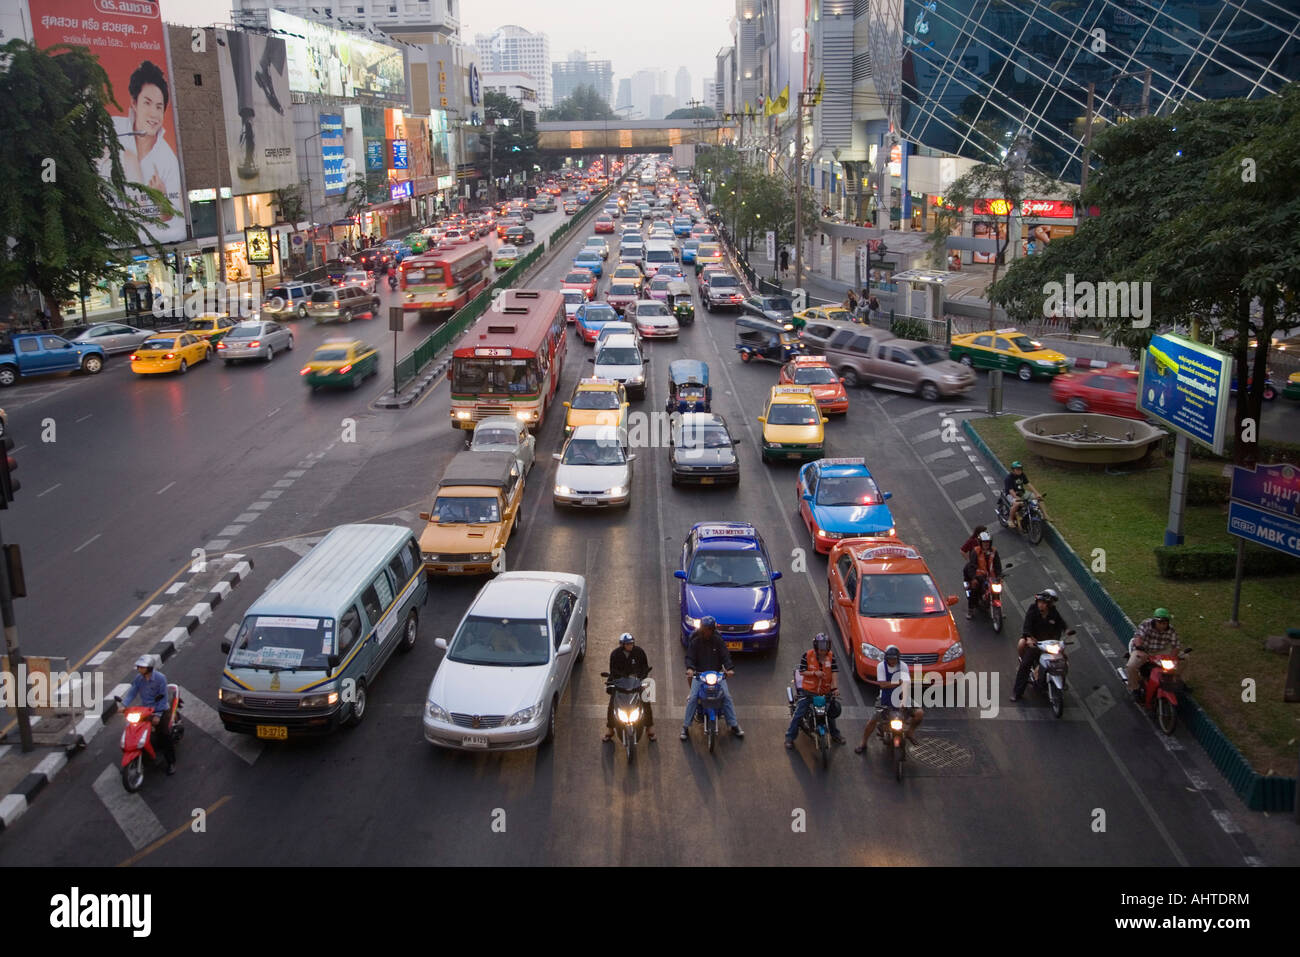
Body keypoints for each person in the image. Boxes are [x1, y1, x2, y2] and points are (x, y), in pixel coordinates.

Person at [101, 62, 182, 230]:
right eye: (147, 103)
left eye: (159, 107)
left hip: (147, 241)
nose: (153, 113)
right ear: (134, 103)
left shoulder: (168, 161)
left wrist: (161, 199)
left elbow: (171, 220)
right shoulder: (112, 128)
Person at [681, 616, 744, 740]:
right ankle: (685, 727)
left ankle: (734, 724)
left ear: (712, 629)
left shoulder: (718, 640)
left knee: (726, 697)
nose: (706, 631)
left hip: (717, 675)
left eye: (708, 629)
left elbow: (725, 656)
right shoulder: (695, 641)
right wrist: (690, 669)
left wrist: (729, 669)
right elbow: (690, 657)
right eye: (704, 628)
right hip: (699, 675)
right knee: (693, 698)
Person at [856, 644, 922, 751]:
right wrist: (898, 682)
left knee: (919, 713)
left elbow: (905, 685)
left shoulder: (903, 666)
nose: (892, 661)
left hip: (900, 696)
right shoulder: (881, 666)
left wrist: (904, 701)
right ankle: (863, 742)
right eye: (890, 659)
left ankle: (910, 732)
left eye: (894, 659)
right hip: (885, 697)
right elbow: (882, 685)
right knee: (873, 720)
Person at [785, 633, 845, 748]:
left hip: (825, 692)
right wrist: (814, 674)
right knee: (798, 715)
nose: (823, 651)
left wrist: (835, 688)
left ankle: (835, 734)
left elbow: (834, 672)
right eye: (821, 649)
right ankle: (789, 737)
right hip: (809, 693)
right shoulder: (807, 655)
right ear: (816, 647)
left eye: (825, 648)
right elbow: (802, 671)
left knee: (829, 714)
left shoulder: (831, 657)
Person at [121, 655, 175, 775]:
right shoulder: (138, 679)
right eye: (139, 667)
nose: (139, 669)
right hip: (145, 710)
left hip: (160, 710)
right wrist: (124, 705)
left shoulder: (160, 678)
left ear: (149, 668)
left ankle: (171, 762)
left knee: (165, 735)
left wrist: (158, 715)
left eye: (142, 667)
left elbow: (163, 697)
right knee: (134, 731)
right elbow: (132, 692)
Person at [1010, 590, 1069, 701]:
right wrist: (1029, 639)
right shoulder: (1033, 610)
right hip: (1036, 644)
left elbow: (1062, 625)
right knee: (1025, 664)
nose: (1041, 605)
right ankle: (1017, 692)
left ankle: (1062, 682)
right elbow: (1026, 627)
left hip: (1051, 644)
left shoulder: (1054, 613)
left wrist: (1067, 632)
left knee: (1064, 660)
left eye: (1044, 603)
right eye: (1039, 602)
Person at [604, 632, 655, 742]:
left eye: (631, 643)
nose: (630, 645)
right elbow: (613, 670)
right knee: (612, 704)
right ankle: (610, 728)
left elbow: (644, 667)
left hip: (636, 683)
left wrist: (642, 679)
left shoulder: (639, 652)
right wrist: (619, 678)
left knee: (646, 702)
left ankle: (649, 727)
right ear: (622, 645)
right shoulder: (615, 654)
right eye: (628, 644)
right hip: (620, 685)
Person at [1126, 608, 1181, 700]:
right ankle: (1134, 688)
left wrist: (1173, 657)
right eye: (1160, 622)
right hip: (1145, 650)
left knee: (1185, 658)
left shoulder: (1171, 630)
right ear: (1155, 621)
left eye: (1165, 623)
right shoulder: (1146, 624)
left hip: (1160, 652)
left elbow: (1176, 646)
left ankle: (1178, 682)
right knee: (1131, 666)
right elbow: (1138, 636)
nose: (1163, 625)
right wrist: (1139, 646)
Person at [962, 531, 1002, 620]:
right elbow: (972, 566)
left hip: (991, 577)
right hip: (979, 577)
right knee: (975, 588)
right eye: (984, 542)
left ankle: (999, 611)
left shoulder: (994, 551)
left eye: (988, 542)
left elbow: (997, 565)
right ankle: (970, 610)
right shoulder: (975, 552)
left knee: (998, 590)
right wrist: (974, 578)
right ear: (981, 543)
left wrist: (999, 575)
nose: (986, 544)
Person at [1003, 461, 1043, 530]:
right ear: (1013, 470)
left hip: (1021, 492)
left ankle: (1044, 515)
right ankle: (1010, 519)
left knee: (1038, 499)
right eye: (1017, 469)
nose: (1019, 470)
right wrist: (1017, 498)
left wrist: (1037, 493)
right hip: (1011, 494)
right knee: (1016, 504)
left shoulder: (1022, 475)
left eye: (1020, 469)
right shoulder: (1008, 478)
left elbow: (1028, 484)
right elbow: (1011, 490)